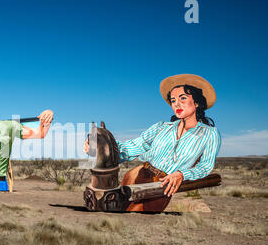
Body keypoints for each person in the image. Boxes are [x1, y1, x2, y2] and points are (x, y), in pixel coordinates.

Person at [84, 74, 221, 204]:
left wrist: (182, 174)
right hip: (139, 175)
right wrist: (104, 148)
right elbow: (135, 146)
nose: (176, 104)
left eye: (182, 98)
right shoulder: (161, 127)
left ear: (197, 102)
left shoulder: (210, 134)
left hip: (165, 183)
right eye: (173, 101)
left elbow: (205, 166)